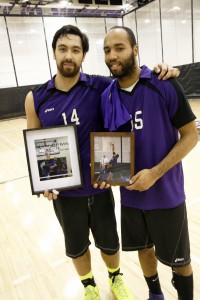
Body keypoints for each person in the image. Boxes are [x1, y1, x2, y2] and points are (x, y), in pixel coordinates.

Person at [24, 24, 180, 300]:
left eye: (75, 49)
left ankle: (115, 278)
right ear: (53, 53)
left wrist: (164, 71)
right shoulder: (36, 98)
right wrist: (45, 182)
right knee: (77, 247)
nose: (68, 55)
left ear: (83, 55)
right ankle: (89, 286)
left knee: (110, 244)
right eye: (63, 49)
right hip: (65, 193)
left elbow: (132, 78)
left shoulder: (102, 87)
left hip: (101, 186)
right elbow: (38, 146)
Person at [100, 26, 198, 300]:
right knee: (144, 249)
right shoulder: (106, 96)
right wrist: (106, 172)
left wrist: (155, 173)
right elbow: (108, 148)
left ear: (135, 49)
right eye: (107, 50)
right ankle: (155, 294)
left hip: (167, 195)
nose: (112, 55)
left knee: (180, 262)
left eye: (119, 48)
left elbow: (191, 135)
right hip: (130, 198)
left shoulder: (163, 83)